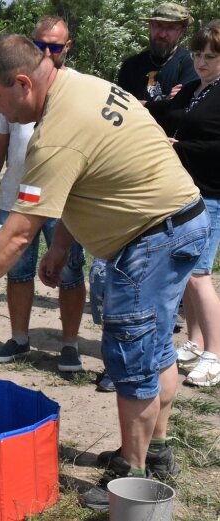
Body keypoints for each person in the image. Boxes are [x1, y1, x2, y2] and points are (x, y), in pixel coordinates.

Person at [0, 34, 208, 511]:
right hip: (181, 221)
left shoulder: (55, 131)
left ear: (22, 83)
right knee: (157, 348)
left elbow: (16, 234)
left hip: (149, 238)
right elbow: (90, 182)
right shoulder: (81, 85)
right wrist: (59, 247)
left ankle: (134, 476)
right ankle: (157, 450)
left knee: (134, 355)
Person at [0, 16, 86, 372]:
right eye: (39, 44)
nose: (46, 52)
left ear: (66, 48)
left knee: (70, 271)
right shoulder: (13, 87)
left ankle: (70, 345)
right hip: (18, 197)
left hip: (63, 202)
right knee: (18, 271)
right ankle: (20, 338)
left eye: (54, 46)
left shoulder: (73, 90)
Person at [147, 20, 220, 387]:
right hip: (184, 192)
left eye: (210, 56)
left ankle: (215, 354)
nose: (201, 61)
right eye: (197, 54)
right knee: (186, 272)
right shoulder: (193, 88)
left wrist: (182, 148)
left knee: (199, 275)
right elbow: (162, 115)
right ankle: (195, 341)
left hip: (212, 194)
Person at [118, 2, 197, 104]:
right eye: (159, 25)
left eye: (171, 27)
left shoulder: (191, 64)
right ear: (150, 26)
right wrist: (166, 103)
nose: (163, 34)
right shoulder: (130, 66)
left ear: (182, 31)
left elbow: (181, 109)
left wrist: (139, 104)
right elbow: (121, 106)